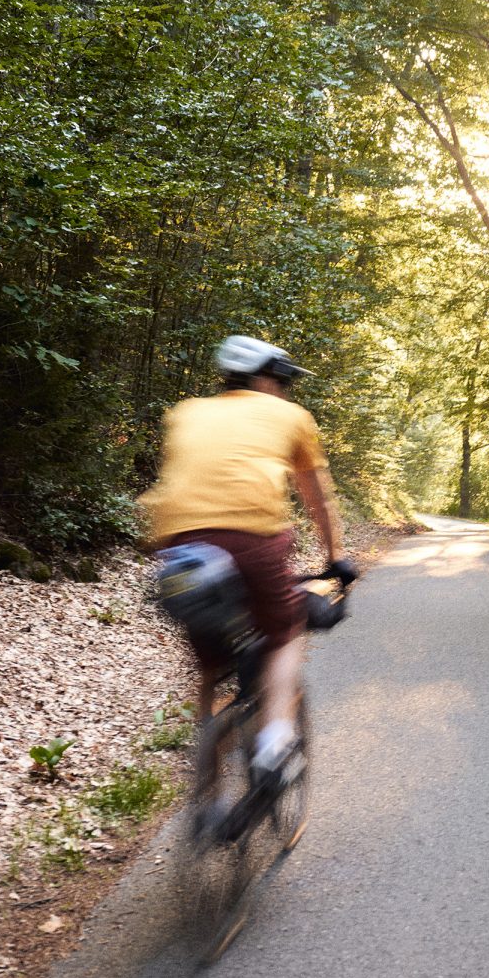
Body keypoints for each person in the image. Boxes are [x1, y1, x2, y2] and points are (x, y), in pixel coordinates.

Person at [140, 335, 353, 813]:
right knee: (285, 632)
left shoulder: (186, 412)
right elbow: (318, 495)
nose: (283, 391)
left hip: (180, 554)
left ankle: (208, 799)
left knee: (212, 668)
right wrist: (336, 556)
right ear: (263, 379)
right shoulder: (290, 417)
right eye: (281, 381)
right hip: (253, 540)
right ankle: (273, 744)